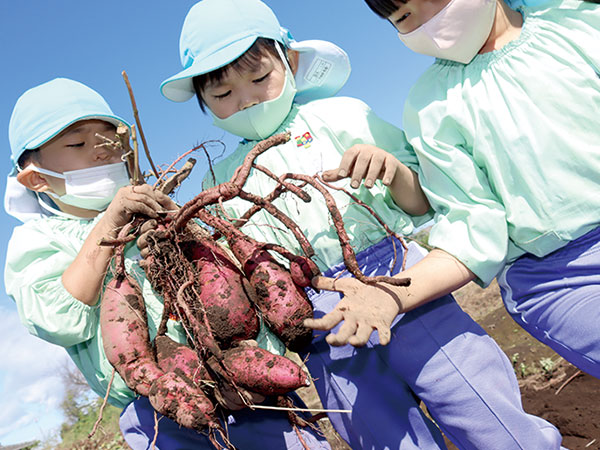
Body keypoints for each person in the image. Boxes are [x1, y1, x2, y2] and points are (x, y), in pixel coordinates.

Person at [158, 0, 565, 448]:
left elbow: (422, 202)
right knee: (379, 434)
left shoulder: (341, 115)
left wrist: (393, 170)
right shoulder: (218, 184)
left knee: (476, 400)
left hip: (398, 280)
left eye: (259, 78)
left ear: (290, 62)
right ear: (202, 102)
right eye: (223, 95)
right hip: (316, 320)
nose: (248, 99)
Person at [4, 78, 334, 450]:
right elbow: (58, 318)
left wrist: (185, 226)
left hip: (244, 375)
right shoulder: (39, 239)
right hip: (163, 405)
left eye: (111, 140)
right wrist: (110, 223)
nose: (101, 152)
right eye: (78, 144)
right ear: (36, 179)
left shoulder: (154, 211)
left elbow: (226, 288)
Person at [333, 0, 600, 382]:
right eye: (404, 16)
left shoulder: (578, 24)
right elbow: (470, 225)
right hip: (554, 278)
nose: (430, 20)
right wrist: (393, 294)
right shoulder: (430, 107)